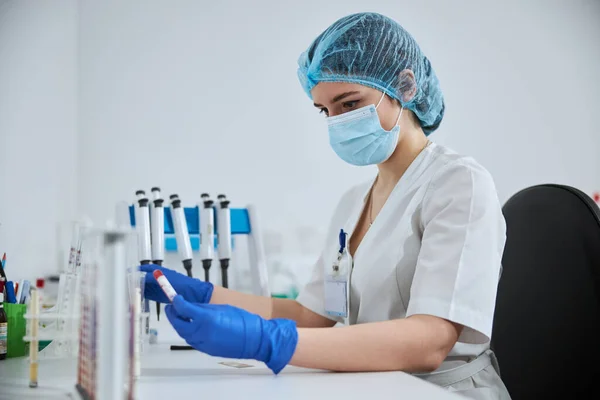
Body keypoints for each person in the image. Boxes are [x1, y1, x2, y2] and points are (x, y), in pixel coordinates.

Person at [141, 12, 511, 400]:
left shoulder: (458, 184)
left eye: (349, 103)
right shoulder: (353, 202)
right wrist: (199, 294)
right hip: (374, 385)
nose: (336, 122)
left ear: (404, 86)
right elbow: (310, 316)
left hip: (443, 392)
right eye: (324, 111)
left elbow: (429, 342)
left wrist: (269, 343)